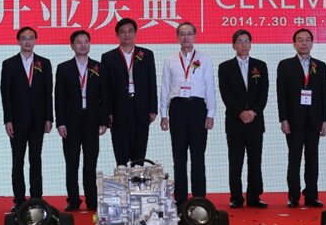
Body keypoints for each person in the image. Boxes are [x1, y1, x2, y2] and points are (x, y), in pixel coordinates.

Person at [159, 22, 215, 204]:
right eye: (182, 34)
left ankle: (199, 197)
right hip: (177, 108)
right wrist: (164, 114)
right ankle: (181, 198)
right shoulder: (170, 60)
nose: (186, 37)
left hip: (198, 108)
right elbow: (165, 87)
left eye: (189, 33)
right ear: (178, 37)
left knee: (198, 155)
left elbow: (210, 86)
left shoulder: (205, 59)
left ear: (195, 36)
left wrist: (211, 113)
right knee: (179, 156)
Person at [1, 26, 53, 211]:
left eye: (31, 38)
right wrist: (8, 120)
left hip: (38, 120)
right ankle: (19, 199)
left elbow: (48, 92)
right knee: (18, 160)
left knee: (35, 160)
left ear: (36, 40)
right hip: (17, 121)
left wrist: (49, 118)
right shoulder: (9, 64)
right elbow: (5, 94)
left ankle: (37, 198)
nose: (27, 41)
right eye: (24, 38)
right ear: (18, 41)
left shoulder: (44, 63)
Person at [55, 30, 108, 212]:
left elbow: (105, 96)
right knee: (72, 162)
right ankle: (73, 200)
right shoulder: (64, 68)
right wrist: (60, 122)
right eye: (79, 42)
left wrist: (104, 121)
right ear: (72, 45)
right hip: (71, 121)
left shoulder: (98, 67)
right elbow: (59, 97)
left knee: (90, 162)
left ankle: (92, 199)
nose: (83, 45)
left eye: (86, 41)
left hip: (92, 120)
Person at [276, 28, 326, 208]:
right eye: (300, 40)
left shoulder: (320, 66)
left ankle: (311, 195)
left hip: (314, 120)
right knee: (294, 158)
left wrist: (325, 120)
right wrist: (283, 119)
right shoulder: (285, 65)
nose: (304, 43)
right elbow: (281, 94)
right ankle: (293, 196)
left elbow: (324, 94)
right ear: (294, 44)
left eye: (307, 40)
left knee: (313, 158)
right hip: (293, 120)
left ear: (312, 43)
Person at [218, 29, 269, 209]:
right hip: (235, 121)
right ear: (233, 45)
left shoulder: (260, 65)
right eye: (240, 41)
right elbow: (226, 94)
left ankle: (254, 196)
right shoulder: (225, 67)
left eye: (247, 41)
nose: (243, 45)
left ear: (251, 44)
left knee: (255, 160)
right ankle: (236, 197)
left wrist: (253, 112)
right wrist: (240, 112)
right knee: (236, 161)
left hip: (255, 121)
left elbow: (263, 93)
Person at [100, 18, 157, 166]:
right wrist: (107, 112)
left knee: (140, 147)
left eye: (130, 31)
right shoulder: (108, 57)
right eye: (123, 32)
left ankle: (138, 177)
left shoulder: (146, 55)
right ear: (117, 35)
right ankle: (122, 175)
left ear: (135, 33)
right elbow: (105, 89)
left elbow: (152, 82)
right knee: (121, 149)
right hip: (119, 107)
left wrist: (153, 108)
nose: (127, 35)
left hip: (141, 107)